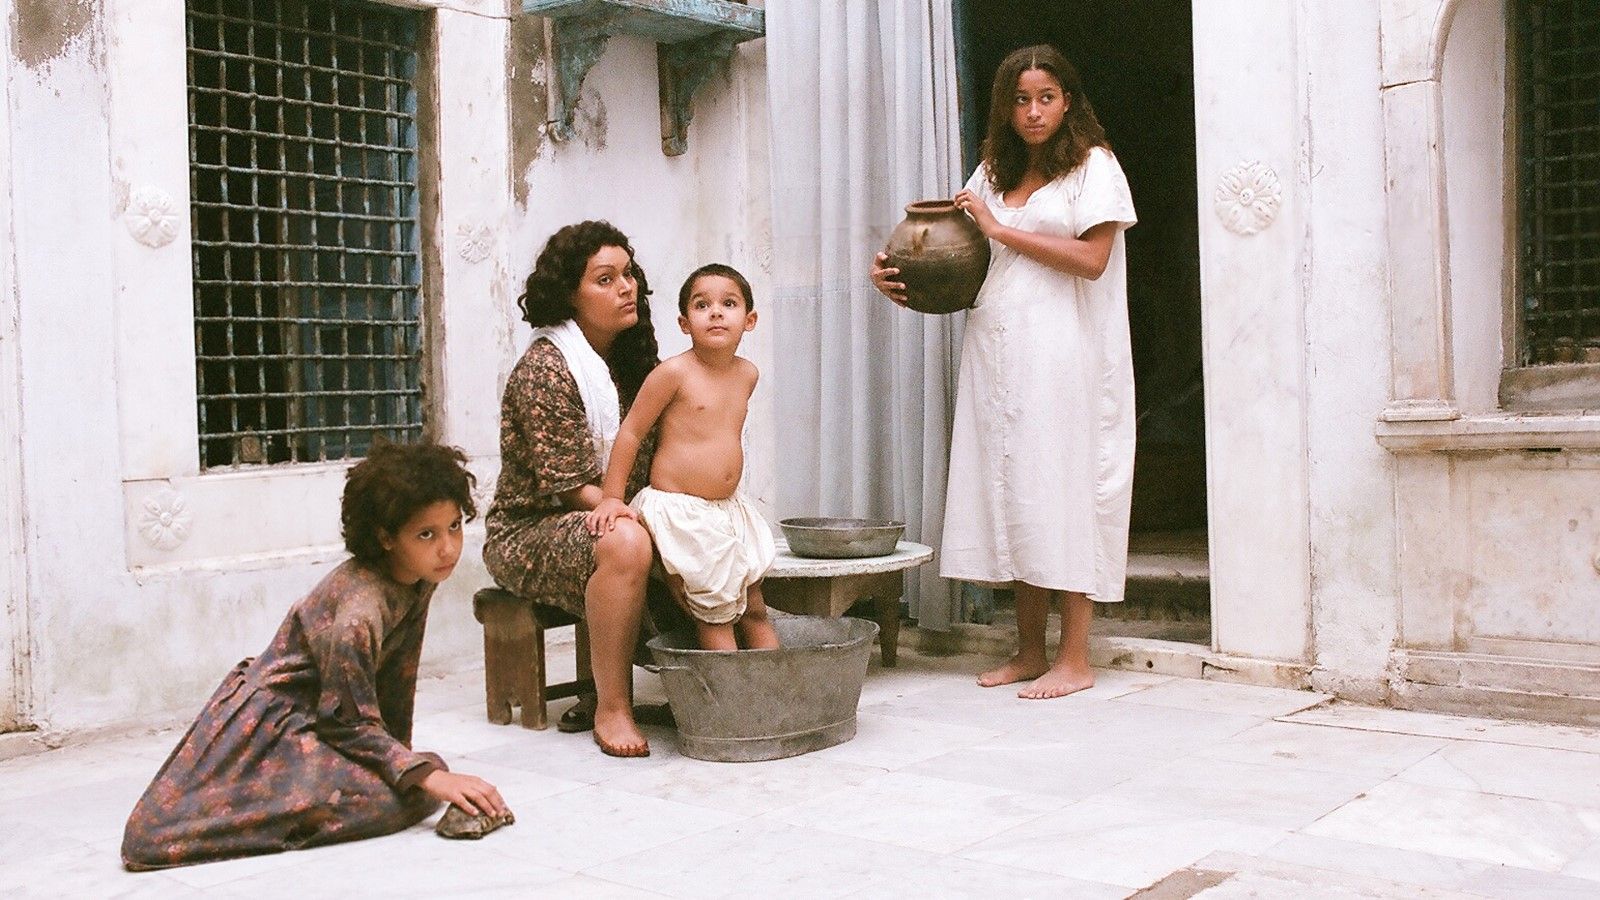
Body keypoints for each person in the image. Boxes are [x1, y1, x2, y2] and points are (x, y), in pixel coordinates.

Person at [872, 45, 1137, 699]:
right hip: (996, 350)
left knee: (1066, 490)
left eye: (1046, 97)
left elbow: (1092, 259)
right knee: (1018, 491)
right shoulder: (993, 170)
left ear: (1068, 100)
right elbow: (966, 261)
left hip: (1065, 355)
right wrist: (901, 280)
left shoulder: (1093, 166)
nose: (1033, 111)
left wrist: (997, 226)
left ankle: (1074, 658)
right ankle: (1027, 650)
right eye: (1020, 100)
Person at [121, 442, 509, 870]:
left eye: (454, 526)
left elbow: (396, 678)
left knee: (417, 780)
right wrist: (422, 776)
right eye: (427, 534)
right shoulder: (359, 612)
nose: (448, 548)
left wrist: (402, 762)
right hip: (266, 729)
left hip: (318, 723)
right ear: (385, 538)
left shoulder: (419, 575)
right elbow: (346, 720)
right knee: (410, 789)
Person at [483, 220, 663, 757]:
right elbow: (569, 488)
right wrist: (634, 517)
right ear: (570, 296)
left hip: (613, 511)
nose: (626, 287)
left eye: (627, 274)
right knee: (627, 543)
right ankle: (611, 708)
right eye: (605, 280)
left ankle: (716, 678)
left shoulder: (631, 360)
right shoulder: (545, 368)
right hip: (529, 529)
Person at [586, 264, 779, 652]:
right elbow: (632, 432)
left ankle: (773, 696)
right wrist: (611, 497)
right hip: (681, 511)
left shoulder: (747, 374)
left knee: (755, 606)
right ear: (684, 323)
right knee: (715, 613)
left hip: (726, 509)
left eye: (729, 303)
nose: (716, 312)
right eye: (702, 305)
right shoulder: (673, 373)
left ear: (750, 319)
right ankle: (727, 705)